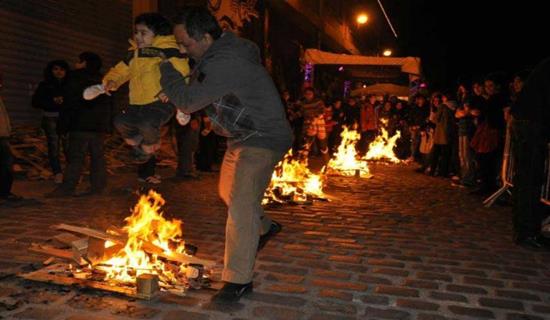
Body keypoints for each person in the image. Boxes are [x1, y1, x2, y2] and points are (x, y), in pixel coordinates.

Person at [159, 6, 292, 303]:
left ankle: (237, 282)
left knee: (241, 206)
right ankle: (265, 226)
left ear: (206, 37)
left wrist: (166, 68)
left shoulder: (226, 61)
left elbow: (189, 101)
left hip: (263, 137)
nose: (182, 50)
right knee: (228, 194)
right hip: (241, 138)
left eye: (186, 44)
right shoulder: (213, 56)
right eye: (179, 44)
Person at [103, 13, 190, 170]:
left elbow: (183, 72)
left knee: (147, 123)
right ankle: (137, 141)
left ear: (158, 34)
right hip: (136, 102)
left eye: (143, 33)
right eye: (136, 32)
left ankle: (151, 145)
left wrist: (171, 90)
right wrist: (112, 81)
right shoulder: (134, 54)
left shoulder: (168, 51)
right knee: (120, 122)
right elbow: (121, 70)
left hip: (160, 102)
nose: (138, 36)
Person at [46, 52, 112, 197]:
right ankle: (98, 187)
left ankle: (67, 188)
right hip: (98, 127)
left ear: (84, 63)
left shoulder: (74, 78)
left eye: (79, 61)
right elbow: (108, 105)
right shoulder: (103, 80)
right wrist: (107, 125)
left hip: (79, 124)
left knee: (76, 158)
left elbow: (69, 104)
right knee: (98, 158)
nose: (76, 64)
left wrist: (63, 125)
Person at [511, 58, 550, 249]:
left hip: (527, 121)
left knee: (525, 179)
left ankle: (525, 229)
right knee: (530, 179)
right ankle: (527, 232)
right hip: (532, 124)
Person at [31, 60, 70, 183]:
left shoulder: (70, 85)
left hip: (66, 118)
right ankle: (57, 173)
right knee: (54, 147)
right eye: (56, 69)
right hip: (50, 117)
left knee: (69, 147)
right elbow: (36, 102)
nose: (59, 72)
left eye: (62, 69)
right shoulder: (45, 85)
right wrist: (52, 101)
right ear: (51, 71)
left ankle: (71, 174)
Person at [1, 73, 22, 204]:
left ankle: (4, 192)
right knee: (5, 165)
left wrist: (7, 130)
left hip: (2, 136)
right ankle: (4, 193)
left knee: (6, 165)